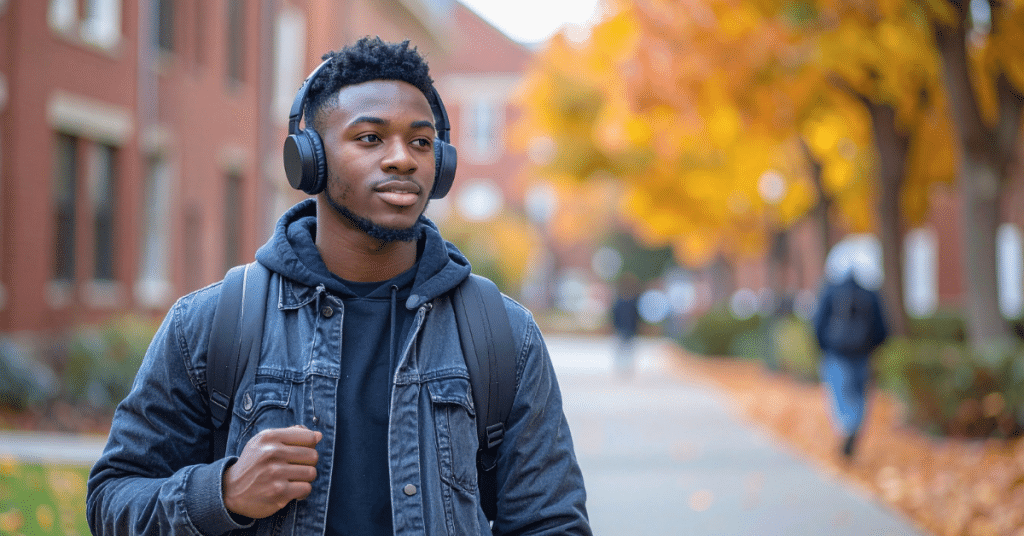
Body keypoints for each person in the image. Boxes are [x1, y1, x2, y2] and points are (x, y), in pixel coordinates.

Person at [87, 37, 591, 536]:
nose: (403, 159)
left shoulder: (502, 334)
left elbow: (552, 523)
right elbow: (112, 499)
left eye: (421, 141)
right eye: (370, 138)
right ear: (311, 160)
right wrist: (224, 492)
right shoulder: (213, 321)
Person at [812, 248, 889, 459]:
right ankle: (855, 426)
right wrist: (873, 348)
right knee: (860, 394)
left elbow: (818, 322)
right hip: (862, 354)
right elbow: (882, 327)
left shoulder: (830, 290)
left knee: (839, 393)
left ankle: (847, 426)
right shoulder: (870, 293)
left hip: (836, 352)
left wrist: (823, 346)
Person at [610, 272, 641, 378]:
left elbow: (635, 317)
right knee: (623, 350)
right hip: (624, 329)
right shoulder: (623, 302)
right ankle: (622, 368)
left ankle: (626, 368)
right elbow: (615, 316)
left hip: (627, 329)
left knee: (626, 350)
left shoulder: (629, 302)